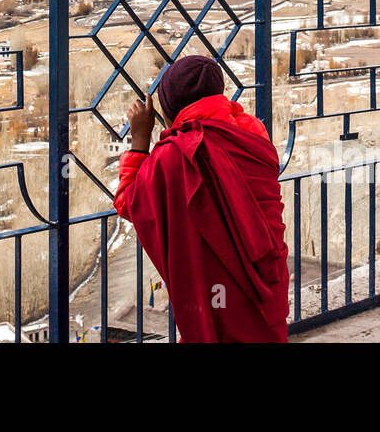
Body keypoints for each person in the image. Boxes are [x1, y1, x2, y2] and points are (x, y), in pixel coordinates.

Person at [113, 54, 290, 342]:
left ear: (171, 107)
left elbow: (129, 202)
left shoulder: (174, 154)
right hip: (267, 277)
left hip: (215, 289)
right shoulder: (253, 131)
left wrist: (139, 141)